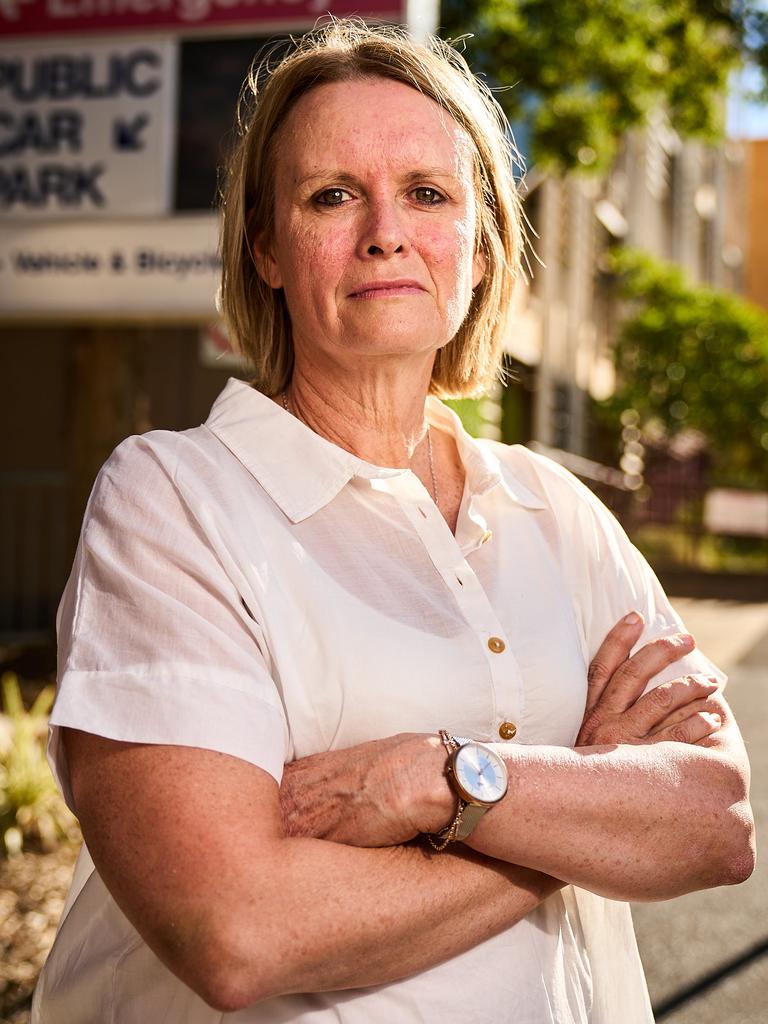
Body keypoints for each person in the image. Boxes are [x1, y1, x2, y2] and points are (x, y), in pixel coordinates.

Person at [34, 20, 754, 1024]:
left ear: (480, 245)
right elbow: (234, 929)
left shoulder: (561, 514)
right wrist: (577, 816)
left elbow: (717, 819)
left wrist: (438, 778)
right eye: (333, 195)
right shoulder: (173, 499)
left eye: (428, 192)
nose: (386, 229)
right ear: (267, 251)